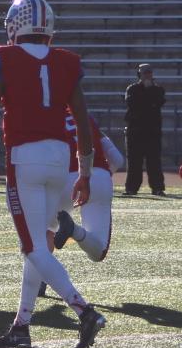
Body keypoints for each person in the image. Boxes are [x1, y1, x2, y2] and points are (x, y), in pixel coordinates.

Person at [0, 0, 104, 348]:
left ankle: (84, 311)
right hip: (60, 157)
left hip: (25, 156)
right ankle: (21, 325)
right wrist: (86, 173)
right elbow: (81, 119)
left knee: (33, 246)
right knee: (37, 243)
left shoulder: (3, 56)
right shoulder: (66, 61)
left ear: (15, 26)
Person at [55, 112, 123, 262]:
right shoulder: (86, 117)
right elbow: (117, 160)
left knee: (43, 231)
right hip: (98, 177)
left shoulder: (46, 113)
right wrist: (101, 179)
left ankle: (39, 276)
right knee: (98, 252)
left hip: (63, 181)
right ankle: (74, 230)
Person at [123, 64, 166, 195]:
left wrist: (148, 92)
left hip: (152, 131)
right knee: (134, 161)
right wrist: (148, 95)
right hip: (135, 130)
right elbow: (133, 104)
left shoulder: (158, 89)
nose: (147, 75)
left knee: (154, 161)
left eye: (149, 72)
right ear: (139, 75)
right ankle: (131, 188)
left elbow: (158, 102)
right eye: (145, 72)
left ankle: (157, 187)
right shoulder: (132, 88)